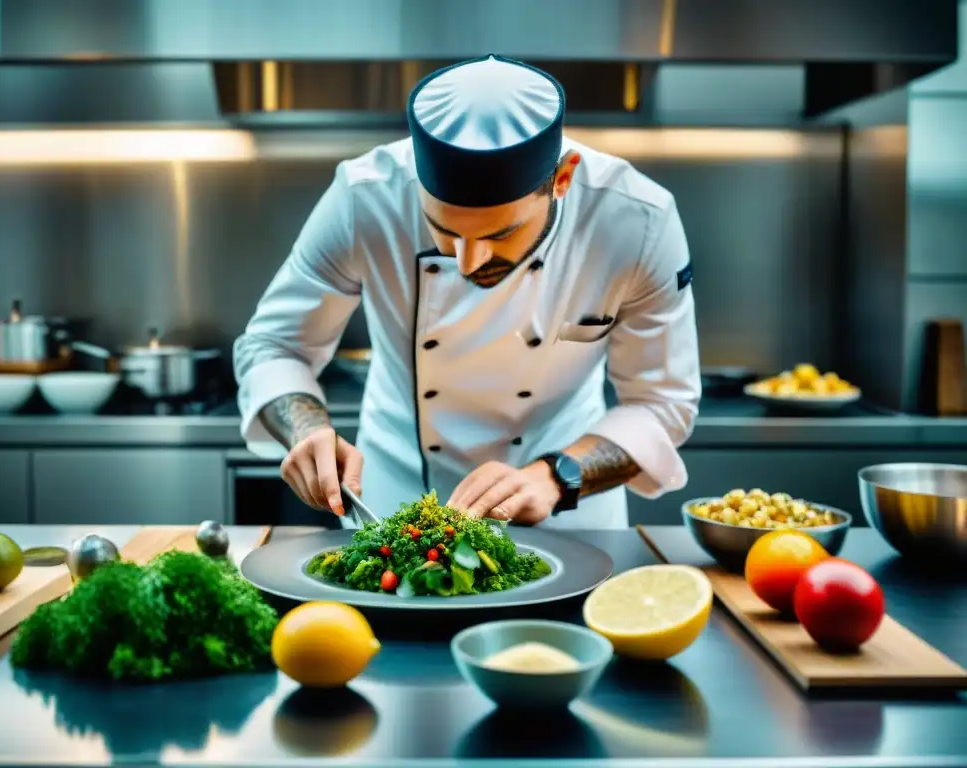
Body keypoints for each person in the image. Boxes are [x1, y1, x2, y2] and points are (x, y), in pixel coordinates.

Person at [234, 54, 700, 530]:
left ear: (562, 179)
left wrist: (556, 478)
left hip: (562, 514)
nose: (467, 262)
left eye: (499, 235)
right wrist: (306, 431)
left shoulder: (638, 221)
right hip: (395, 501)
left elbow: (662, 403)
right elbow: (274, 345)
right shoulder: (364, 197)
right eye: (443, 231)